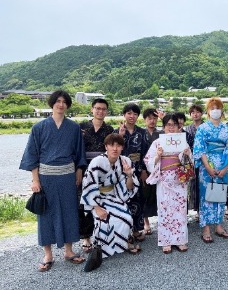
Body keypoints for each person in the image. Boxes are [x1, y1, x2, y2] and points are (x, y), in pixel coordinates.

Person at [19, 90, 87, 272]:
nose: (61, 104)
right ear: (52, 103)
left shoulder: (73, 128)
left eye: (64, 102)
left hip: (67, 176)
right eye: (57, 101)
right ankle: (48, 254)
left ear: (68, 105)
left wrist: (79, 171)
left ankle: (69, 250)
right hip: (46, 177)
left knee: (69, 212)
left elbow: (79, 153)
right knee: (46, 214)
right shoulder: (39, 128)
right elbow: (32, 155)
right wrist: (35, 180)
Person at [81, 134, 141, 257]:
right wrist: (96, 208)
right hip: (97, 198)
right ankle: (101, 250)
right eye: (111, 145)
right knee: (104, 219)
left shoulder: (125, 161)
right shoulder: (97, 162)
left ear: (122, 148)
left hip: (114, 195)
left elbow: (129, 187)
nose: (115, 149)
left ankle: (122, 244)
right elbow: (88, 184)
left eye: (118, 145)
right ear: (106, 147)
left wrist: (129, 174)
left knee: (126, 217)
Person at [144, 114, 192, 253]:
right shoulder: (157, 143)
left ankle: (180, 240)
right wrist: (158, 156)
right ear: (164, 127)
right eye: (168, 125)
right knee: (164, 210)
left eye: (174, 125)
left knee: (180, 210)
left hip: (179, 179)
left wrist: (187, 154)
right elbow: (148, 162)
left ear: (179, 127)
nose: (171, 127)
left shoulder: (183, 142)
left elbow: (190, 162)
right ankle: (166, 240)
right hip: (164, 179)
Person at [193, 98, 228, 243]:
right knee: (206, 195)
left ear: (222, 111)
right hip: (207, 167)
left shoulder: (226, 128)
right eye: (212, 108)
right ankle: (205, 227)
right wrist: (208, 167)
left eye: (218, 108)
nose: (215, 111)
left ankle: (218, 225)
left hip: (223, 165)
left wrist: (225, 167)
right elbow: (199, 149)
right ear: (208, 111)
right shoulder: (203, 128)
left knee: (219, 195)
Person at [79, 98, 114, 252]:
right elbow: (76, 150)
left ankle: (102, 235)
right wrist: (78, 169)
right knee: (85, 200)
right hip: (84, 167)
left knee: (103, 200)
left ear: (106, 111)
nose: (100, 111)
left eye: (103, 109)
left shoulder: (109, 129)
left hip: (103, 169)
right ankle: (86, 236)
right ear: (92, 109)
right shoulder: (81, 128)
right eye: (97, 108)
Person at [115, 103, 148, 241]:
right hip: (121, 171)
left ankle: (136, 230)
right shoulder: (116, 131)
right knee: (123, 201)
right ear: (124, 115)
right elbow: (114, 149)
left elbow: (146, 152)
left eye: (135, 114)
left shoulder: (142, 132)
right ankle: (125, 232)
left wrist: (145, 170)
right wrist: (120, 136)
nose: (132, 116)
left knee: (137, 200)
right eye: (129, 113)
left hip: (137, 169)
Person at [142, 108, 161, 236]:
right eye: (149, 118)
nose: (152, 121)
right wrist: (142, 169)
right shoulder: (140, 133)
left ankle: (162, 219)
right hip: (145, 169)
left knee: (159, 195)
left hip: (160, 168)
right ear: (144, 119)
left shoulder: (161, 133)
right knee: (145, 195)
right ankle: (146, 221)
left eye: (154, 118)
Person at [186, 104, 204, 217]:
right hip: (191, 160)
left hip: (205, 160)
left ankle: (205, 209)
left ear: (201, 113)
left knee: (204, 184)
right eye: (193, 112)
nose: (195, 114)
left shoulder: (207, 126)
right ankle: (197, 209)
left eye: (197, 112)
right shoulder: (188, 129)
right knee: (193, 185)